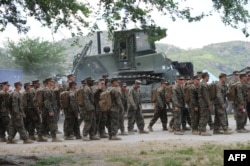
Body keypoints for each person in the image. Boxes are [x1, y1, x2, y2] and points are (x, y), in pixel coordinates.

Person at [41, 77, 62, 142]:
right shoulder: (47, 90)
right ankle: (54, 137)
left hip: (47, 110)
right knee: (52, 123)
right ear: (48, 83)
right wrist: (50, 110)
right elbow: (47, 101)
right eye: (52, 82)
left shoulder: (50, 90)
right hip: (48, 110)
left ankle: (40, 136)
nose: (53, 83)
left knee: (45, 124)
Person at [82, 77, 100, 141]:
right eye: (91, 81)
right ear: (88, 81)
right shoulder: (86, 89)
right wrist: (89, 109)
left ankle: (92, 135)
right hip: (88, 109)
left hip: (92, 107)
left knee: (93, 122)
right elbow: (86, 100)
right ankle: (84, 135)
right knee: (88, 122)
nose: (93, 82)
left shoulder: (90, 88)